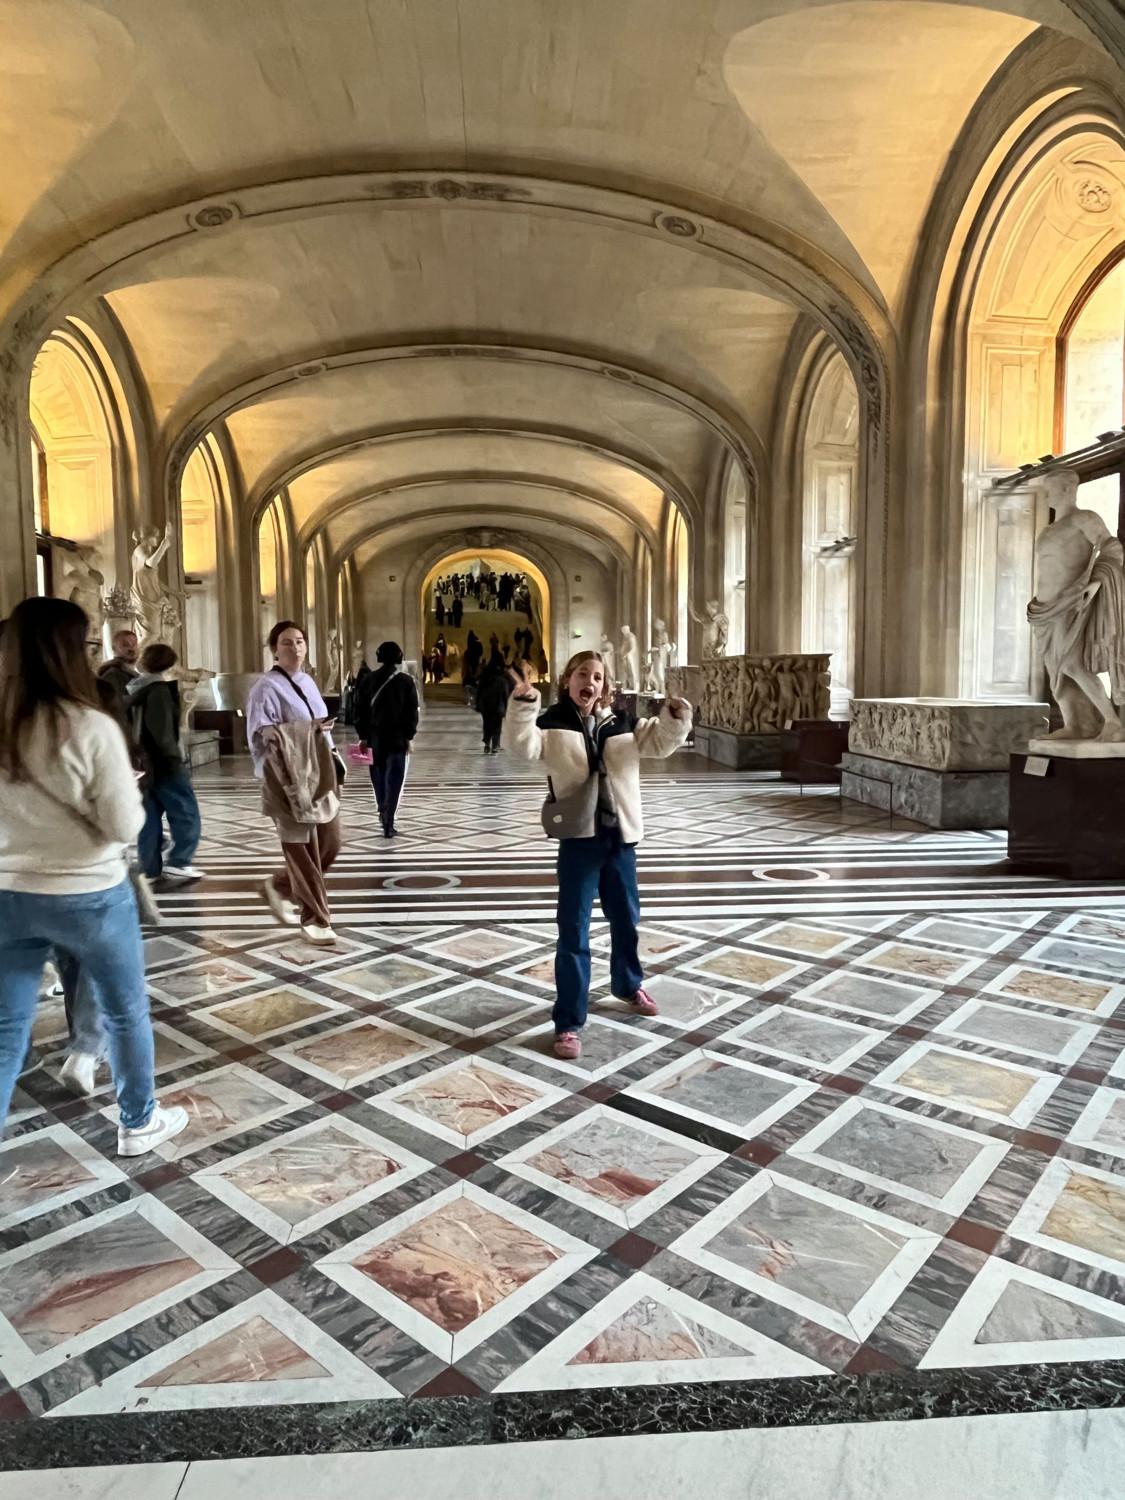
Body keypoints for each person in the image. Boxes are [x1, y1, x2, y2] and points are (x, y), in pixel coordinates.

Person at [0, 597, 188, 1153]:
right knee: (125, 1010)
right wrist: (128, 787)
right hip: (89, 892)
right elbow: (125, 825)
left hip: (9, 891)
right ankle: (137, 1121)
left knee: (7, 1027)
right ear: (67, 652)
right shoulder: (89, 726)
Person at [503, 650, 691, 1060]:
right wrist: (522, 703)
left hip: (620, 839)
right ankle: (569, 1022)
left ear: (606, 686)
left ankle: (627, 983)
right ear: (568, 680)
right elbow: (521, 747)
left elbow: (659, 744)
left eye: (599, 676)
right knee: (574, 930)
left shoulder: (622, 721)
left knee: (626, 919)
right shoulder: (552, 722)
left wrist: (675, 718)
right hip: (578, 839)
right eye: (583, 674)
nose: (591, 681)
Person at [246, 621, 342, 945]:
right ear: (274, 648)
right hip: (285, 777)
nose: (295, 648)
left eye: (300, 641)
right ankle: (314, 918)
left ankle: (279, 886)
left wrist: (321, 734)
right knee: (303, 850)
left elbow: (317, 726)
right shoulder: (265, 687)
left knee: (330, 843)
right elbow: (266, 733)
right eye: (287, 643)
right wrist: (310, 729)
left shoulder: (307, 682)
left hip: (318, 772)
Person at [127, 643, 203, 882]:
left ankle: (149, 866)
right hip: (164, 762)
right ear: (170, 665)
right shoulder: (158, 690)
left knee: (148, 815)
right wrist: (173, 757)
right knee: (186, 812)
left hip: (143, 762)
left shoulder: (135, 688)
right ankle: (180, 861)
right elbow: (161, 732)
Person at [355, 640, 419, 837]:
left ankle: (382, 808)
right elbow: (412, 712)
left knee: (378, 777)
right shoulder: (407, 681)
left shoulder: (368, 679)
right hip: (397, 738)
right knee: (395, 779)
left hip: (375, 738)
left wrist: (363, 736)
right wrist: (409, 735)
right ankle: (389, 819)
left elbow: (360, 710)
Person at [98, 628, 140, 713]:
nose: (131, 648)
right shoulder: (113, 674)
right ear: (114, 648)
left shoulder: (133, 674)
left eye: (134, 644)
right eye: (125, 645)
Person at [476, 655, 511, 754]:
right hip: (498, 707)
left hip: (486, 706)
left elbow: (479, 692)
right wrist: (506, 707)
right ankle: (495, 746)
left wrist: (478, 704)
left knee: (487, 725)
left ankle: (487, 744)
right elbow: (505, 695)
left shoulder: (485, 679)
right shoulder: (502, 681)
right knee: (496, 726)